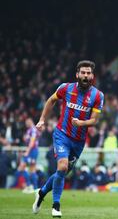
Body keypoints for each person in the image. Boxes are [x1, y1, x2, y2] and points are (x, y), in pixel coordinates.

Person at [32, 60, 104, 218]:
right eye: (83, 72)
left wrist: (82, 123)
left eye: (89, 73)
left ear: (92, 76)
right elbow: (51, 100)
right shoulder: (65, 88)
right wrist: (42, 119)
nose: (86, 75)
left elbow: (94, 120)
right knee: (62, 167)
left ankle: (41, 192)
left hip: (79, 141)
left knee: (62, 172)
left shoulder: (98, 96)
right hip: (62, 134)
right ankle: (56, 206)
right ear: (77, 74)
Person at [14, 117, 40, 193]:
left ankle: (30, 186)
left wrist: (27, 152)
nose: (26, 124)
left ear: (30, 121)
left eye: (27, 122)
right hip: (32, 150)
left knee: (22, 167)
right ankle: (34, 188)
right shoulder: (29, 130)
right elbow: (28, 140)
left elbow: (32, 142)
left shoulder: (33, 130)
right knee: (31, 169)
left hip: (32, 151)